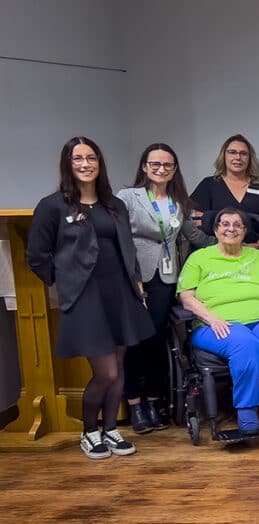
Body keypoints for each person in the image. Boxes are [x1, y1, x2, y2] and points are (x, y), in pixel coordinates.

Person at [27, 136, 153, 459]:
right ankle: (89, 430)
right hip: (85, 297)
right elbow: (37, 255)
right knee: (106, 372)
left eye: (91, 158)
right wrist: (64, 281)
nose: (86, 164)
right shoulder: (53, 206)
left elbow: (128, 249)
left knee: (120, 367)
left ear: (100, 163)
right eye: (78, 158)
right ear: (67, 165)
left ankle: (110, 429)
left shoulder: (115, 205)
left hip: (120, 292)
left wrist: (137, 285)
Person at [178, 207, 259, 433]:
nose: (231, 229)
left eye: (237, 225)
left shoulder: (256, 257)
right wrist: (211, 318)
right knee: (246, 346)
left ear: (245, 231)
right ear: (216, 230)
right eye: (225, 224)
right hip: (217, 322)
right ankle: (246, 410)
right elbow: (186, 297)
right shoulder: (199, 258)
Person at [117, 143, 213, 434]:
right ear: (144, 167)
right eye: (155, 164)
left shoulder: (178, 201)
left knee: (156, 340)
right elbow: (118, 238)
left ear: (174, 170)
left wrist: (237, 244)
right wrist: (132, 277)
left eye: (167, 165)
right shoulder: (128, 197)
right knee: (135, 342)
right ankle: (136, 403)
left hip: (166, 280)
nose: (161, 169)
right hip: (134, 278)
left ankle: (156, 400)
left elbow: (193, 235)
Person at [190, 134, 259, 252]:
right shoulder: (209, 184)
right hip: (218, 253)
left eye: (243, 153)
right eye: (232, 152)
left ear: (250, 158)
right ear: (224, 156)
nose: (238, 157)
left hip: (255, 252)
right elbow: (193, 219)